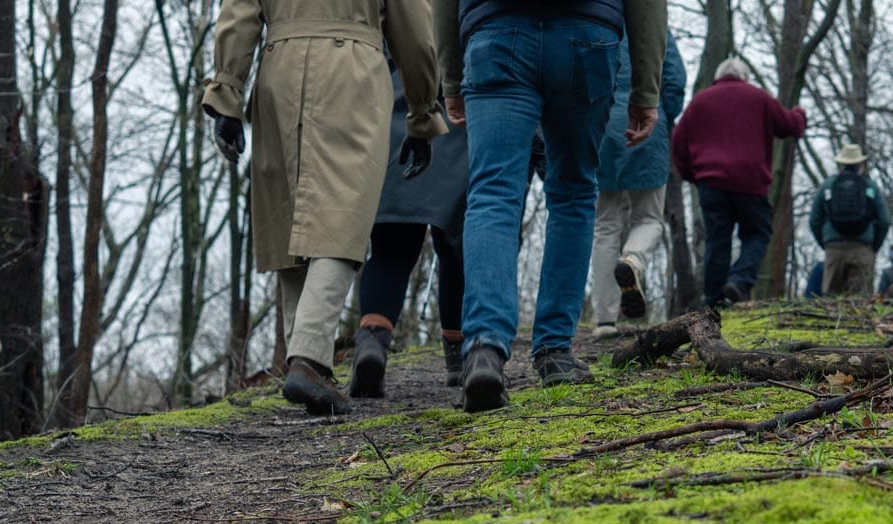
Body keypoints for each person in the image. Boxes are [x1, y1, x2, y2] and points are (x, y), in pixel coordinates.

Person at [203, 0, 447, 416]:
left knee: (289, 213)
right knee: (345, 213)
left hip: (278, 67)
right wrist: (423, 110)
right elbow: (415, 27)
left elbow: (238, 14)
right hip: (354, 72)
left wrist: (227, 92)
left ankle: (306, 355)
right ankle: (310, 361)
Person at [434, 0, 667, 412]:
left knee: (493, 190)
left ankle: (484, 348)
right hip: (586, 36)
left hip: (495, 32)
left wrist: (450, 76)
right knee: (574, 192)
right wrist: (646, 89)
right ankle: (555, 351)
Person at [349, 63, 469, 399]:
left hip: (395, 101)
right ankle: (458, 355)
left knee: (391, 246)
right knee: (455, 243)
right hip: (454, 108)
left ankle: (372, 339)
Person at [671, 58, 806, 307]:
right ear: (745, 76)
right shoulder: (759, 97)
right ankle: (739, 281)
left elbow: (678, 141)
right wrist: (799, 114)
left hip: (710, 183)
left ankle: (713, 299)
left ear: (718, 76)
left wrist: (693, 175)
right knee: (757, 232)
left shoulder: (700, 101)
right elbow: (789, 126)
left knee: (717, 239)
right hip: (750, 181)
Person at [588, 31, 686, 338]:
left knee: (604, 226)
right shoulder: (656, 29)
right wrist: (665, 115)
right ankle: (633, 259)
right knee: (649, 217)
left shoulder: (599, 20)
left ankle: (604, 320)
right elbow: (675, 79)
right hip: (647, 124)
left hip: (601, 128)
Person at [808, 143, 891, 296]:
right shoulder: (870, 186)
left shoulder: (827, 185)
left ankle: (829, 320)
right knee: (859, 300)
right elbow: (884, 220)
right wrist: (873, 246)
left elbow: (814, 220)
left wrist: (826, 243)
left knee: (830, 298)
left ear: (840, 164)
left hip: (833, 247)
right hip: (863, 247)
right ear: (861, 165)